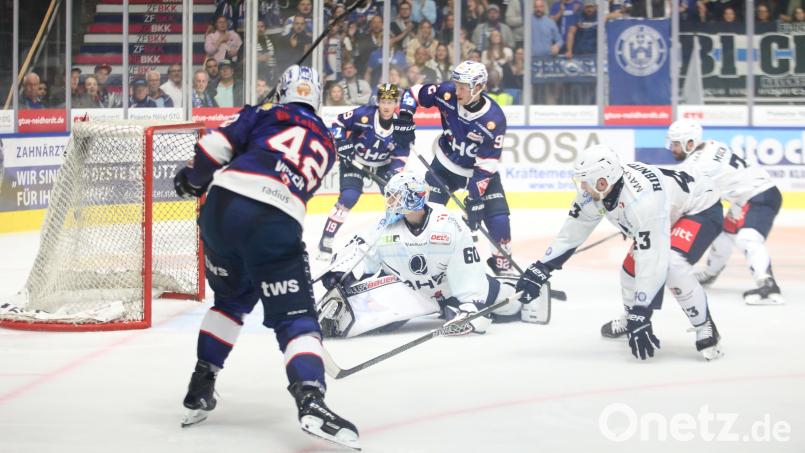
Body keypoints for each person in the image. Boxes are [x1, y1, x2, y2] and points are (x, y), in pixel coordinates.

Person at [172, 65, 359, 449]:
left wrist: (192, 181)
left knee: (230, 301)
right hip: (274, 220)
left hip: (221, 211)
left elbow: (211, 150)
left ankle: (201, 384)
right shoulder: (327, 142)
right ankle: (310, 399)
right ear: (317, 98)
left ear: (281, 91)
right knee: (297, 319)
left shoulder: (261, 114)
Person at [515, 145, 726, 361]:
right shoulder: (602, 189)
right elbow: (571, 233)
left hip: (700, 207)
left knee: (672, 265)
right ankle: (630, 317)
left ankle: (704, 325)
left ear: (603, 181)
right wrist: (541, 267)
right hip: (669, 210)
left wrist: (643, 310)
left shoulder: (643, 203)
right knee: (630, 270)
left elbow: (653, 260)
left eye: (585, 182)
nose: (583, 188)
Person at [317, 172, 547, 338]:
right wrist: (342, 271)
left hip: (451, 288)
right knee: (378, 323)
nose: (389, 202)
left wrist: (471, 305)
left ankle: (525, 297)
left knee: (500, 303)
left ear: (412, 198)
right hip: (413, 292)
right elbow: (363, 245)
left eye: (395, 197)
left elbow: (467, 268)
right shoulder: (388, 224)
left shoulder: (446, 226)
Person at [398, 60, 515, 276]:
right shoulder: (447, 93)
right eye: (456, 84)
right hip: (444, 166)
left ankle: (503, 266)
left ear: (478, 88)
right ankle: (421, 263)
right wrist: (405, 117)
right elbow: (413, 93)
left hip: (477, 173)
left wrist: (475, 198)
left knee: (499, 220)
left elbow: (486, 165)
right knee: (426, 215)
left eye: (463, 87)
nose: (457, 90)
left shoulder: (493, 119)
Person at [667, 120, 784, 304]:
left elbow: (680, 193)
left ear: (690, 143)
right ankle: (710, 274)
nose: (672, 148)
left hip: (759, 196)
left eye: (675, 144)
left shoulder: (696, 165)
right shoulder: (714, 144)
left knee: (747, 239)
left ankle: (768, 286)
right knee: (724, 236)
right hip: (746, 199)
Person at [316, 83, 410, 260]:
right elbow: (337, 124)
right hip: (355, 162)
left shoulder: (401, 126)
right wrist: (342, 143)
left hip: (382, 165)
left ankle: (400, 239)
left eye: (391, 102)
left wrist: (394, 171)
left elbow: (402, 152)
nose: (387, 106)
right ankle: (326, 238)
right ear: (378, 101)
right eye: (384, 101)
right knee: (349, 197)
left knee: (396, 199)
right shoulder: (364, 114)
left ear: (396, 103)